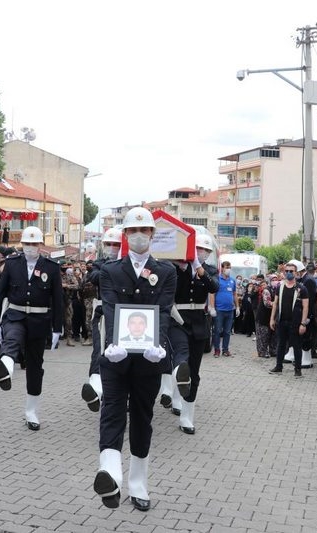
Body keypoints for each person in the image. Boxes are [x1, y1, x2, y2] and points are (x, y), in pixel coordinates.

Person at [93, 207, 176, 512]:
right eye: (132, 231)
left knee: (142, 419)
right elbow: (112, 309)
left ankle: (139, 484)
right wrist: (115, 344)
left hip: (149, 362)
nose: (139, 236)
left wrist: (159, 346)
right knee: (112, 413)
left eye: (144, 230)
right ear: (126, 236)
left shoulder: (166, 272)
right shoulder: (110, 272)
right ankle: (111, 476)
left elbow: (164, 312)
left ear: (152, 235)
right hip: (117, 359)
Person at [0, 226, 63, 431]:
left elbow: (58, 300)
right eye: (27, 244)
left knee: (35, 366)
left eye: (34, 244)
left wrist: (57, 328)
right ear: (22, 244)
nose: (31, 247)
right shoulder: (12, 264)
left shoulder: (51, 267)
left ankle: (31, 411)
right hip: (15, 314)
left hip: (39, 320)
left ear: (40, 245)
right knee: (11, 339)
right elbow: (0, 295)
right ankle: (5, 368)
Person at [165, 233, 219, 434]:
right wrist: (181, 267)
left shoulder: (209, 270)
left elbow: (214, 286)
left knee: (194, 372)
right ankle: (174, 394)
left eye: (205, 250)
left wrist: (199, 268)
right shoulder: (174, 268)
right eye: (198, 249)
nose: (201, 253)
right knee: (181, 360)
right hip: (178, 320)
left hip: (199, 322)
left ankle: (187, 416)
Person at [80, 227, 122, 413]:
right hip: (103, 312)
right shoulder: (100, 263)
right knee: (99, 351)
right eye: (109, 244)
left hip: (124, 315)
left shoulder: (127, 264)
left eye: (116, 244)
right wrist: (115, 269)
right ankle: (96, 389)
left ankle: (120, 395)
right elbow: (94, 276)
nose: (112, 247)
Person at [268, 261, 309, 377]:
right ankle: (278, 366)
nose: (289, 273)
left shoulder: (301, 288)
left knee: (297, 346)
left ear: (296, 273)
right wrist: (272, 319)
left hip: (295, 322)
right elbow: (275, 304)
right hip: (282, 321)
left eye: (291, 271)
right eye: (287, 271)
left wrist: (303, 323)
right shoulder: (279, 286)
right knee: (281, 344)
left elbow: (306, 306)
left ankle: (298, 369)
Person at [210, 261, 239, 357]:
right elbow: (212, 294)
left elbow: (234, 294)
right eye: (227, 267)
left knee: (227, 331)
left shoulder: (232, 280)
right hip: (219, 310)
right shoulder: (217, 279)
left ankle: (225, 350)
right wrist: (212, 308)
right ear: (222, 268)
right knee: (217, 331)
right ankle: (217, 350)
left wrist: (237, 307)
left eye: (230, 267)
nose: (228, 269)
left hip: (230, 310)